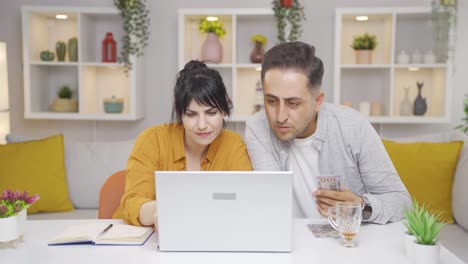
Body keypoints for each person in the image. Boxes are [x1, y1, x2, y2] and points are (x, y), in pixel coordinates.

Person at [245, 42, 411, 224]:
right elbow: (270, 203)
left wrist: (362, 206)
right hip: (290, 242)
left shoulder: (353, 125)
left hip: (347, 244)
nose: (280, 116)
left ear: (317, 101)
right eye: (271, 101)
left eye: (293, 103)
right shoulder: (258, 127)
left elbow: (403, 202)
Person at [114, 60, 252, 227]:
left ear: (225, 108)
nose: (202, 125)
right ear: (180, 112)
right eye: (191, 114)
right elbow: (132, 203)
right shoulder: (153, 140)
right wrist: (160, 210)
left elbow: (244, 201)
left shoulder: (233, 144)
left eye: (211, 113)